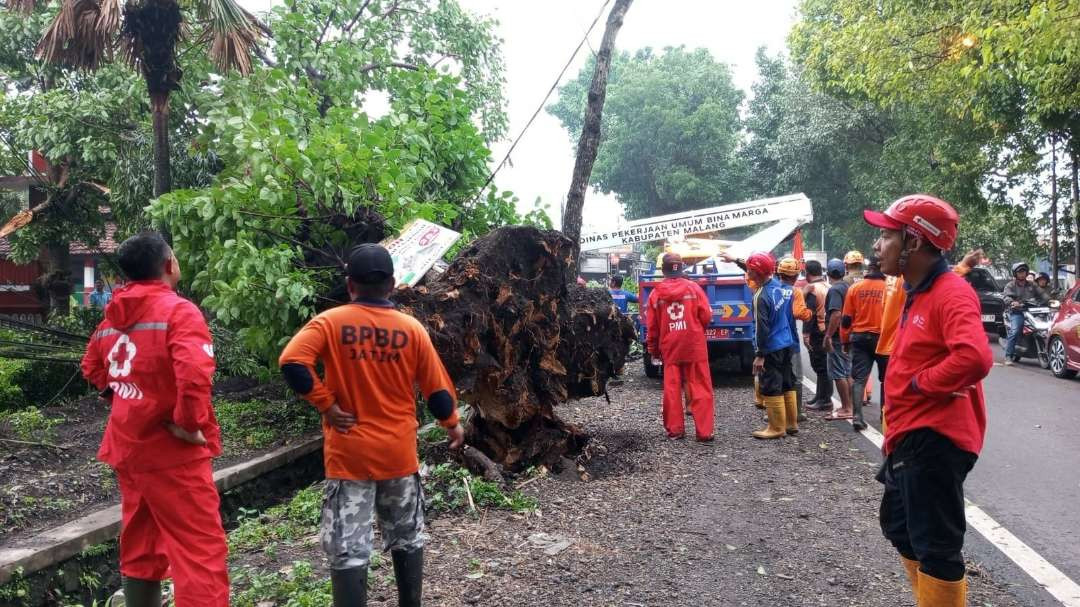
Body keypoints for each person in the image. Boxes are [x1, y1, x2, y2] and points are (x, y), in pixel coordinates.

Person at [278, 244, 462, 607]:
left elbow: (292, 362)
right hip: (398, 454)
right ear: (392, 284)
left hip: (350, 456)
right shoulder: (411, 329)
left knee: (348, 549)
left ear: (350, 285)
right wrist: (452, 425)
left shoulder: (331, 323)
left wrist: (326, 404)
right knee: (407, 536)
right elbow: (437, 390)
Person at [80, 232, 228, 607]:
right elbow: (194, 374)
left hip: (129, 450)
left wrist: (125, 399)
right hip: (172, 455)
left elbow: (92, 365)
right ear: (168, 265)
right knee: (200, 553)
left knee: (141, 543)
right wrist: (189, 425)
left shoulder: (112, 316)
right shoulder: (179, 312)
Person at [864, 194, 993, 607]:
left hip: (935, 439)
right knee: (898, 526)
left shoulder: (951, 293)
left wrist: (921, 385)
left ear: (914, 243)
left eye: (886, 236)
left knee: (936, 547)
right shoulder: (916, 288)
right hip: (909, 436)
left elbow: (974, 356)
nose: (877, 246)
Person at [645, 253, 715, 441]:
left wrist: (653, 349)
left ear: (664, 270)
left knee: (672, 388)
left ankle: (675, 430)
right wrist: (696, 327)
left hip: (670, 346)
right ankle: (704, 432)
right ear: (681, 267)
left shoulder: (655, 294)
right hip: (694, 344)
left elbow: (652, 327)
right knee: (700, 386)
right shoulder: (694, 288)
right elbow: (706, 316)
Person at [745, 252, 798, 439]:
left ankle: (776, 428)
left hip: (772, 347)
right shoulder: (782, 288)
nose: (747, 272)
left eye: (749, 269)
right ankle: (791, 424)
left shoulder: (760, 296)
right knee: (787, 382)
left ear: (757, 272)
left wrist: (760, 354)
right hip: (786, 342)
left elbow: (761, 328)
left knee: (771, 385)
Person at [839, 256, 886, 431]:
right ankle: (884, 416)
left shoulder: (855, 288)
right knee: (886, 380)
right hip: (883, 339)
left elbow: (846, 320)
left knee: (859, 378)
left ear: (868, 269)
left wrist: (844, 340)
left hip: (859, 338)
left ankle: (857, 417)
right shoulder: (889, 289)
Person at [777, 257, 812, 421]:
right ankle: (796, 414)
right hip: (790, 341)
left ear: (780, 273)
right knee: (796, 377)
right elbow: (799, 313)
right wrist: (810, 313)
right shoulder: (795, 292)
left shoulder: (771, 289)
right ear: (796, 276)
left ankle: (776, 413)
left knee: (776, 374)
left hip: (773, 341)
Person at [822, 259, 853, 420]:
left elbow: (836, 314)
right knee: (847, 372)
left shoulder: (835, 290)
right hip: (848, 334)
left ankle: (847, 408)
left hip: (837, 336)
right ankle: (850, 406)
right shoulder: (848, 287)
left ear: (828, 274)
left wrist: (828, 335)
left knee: (838, 372)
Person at [1002, 262, 1049, 365]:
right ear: (1015, 274)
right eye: (1020, 272)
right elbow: (1006, 297)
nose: (1022, 274)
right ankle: (1008, 356)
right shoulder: (1010, 285)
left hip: (1034, 312)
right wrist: (1013, 302)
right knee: (1015, 331)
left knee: (1048, 327)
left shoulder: (1032, 284)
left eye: (1023, 271)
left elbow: (1043, 294)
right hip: (1018, 312)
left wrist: (1048, 300)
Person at [802, 260, 833, 410]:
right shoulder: (828, 286)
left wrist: (805, 334)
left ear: (807, 273)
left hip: (817, 331)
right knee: (824, 366)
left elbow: (810, 313)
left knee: (820, 367)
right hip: (828, 329)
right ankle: (820, 396)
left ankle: (825, 400)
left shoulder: (812, 290)